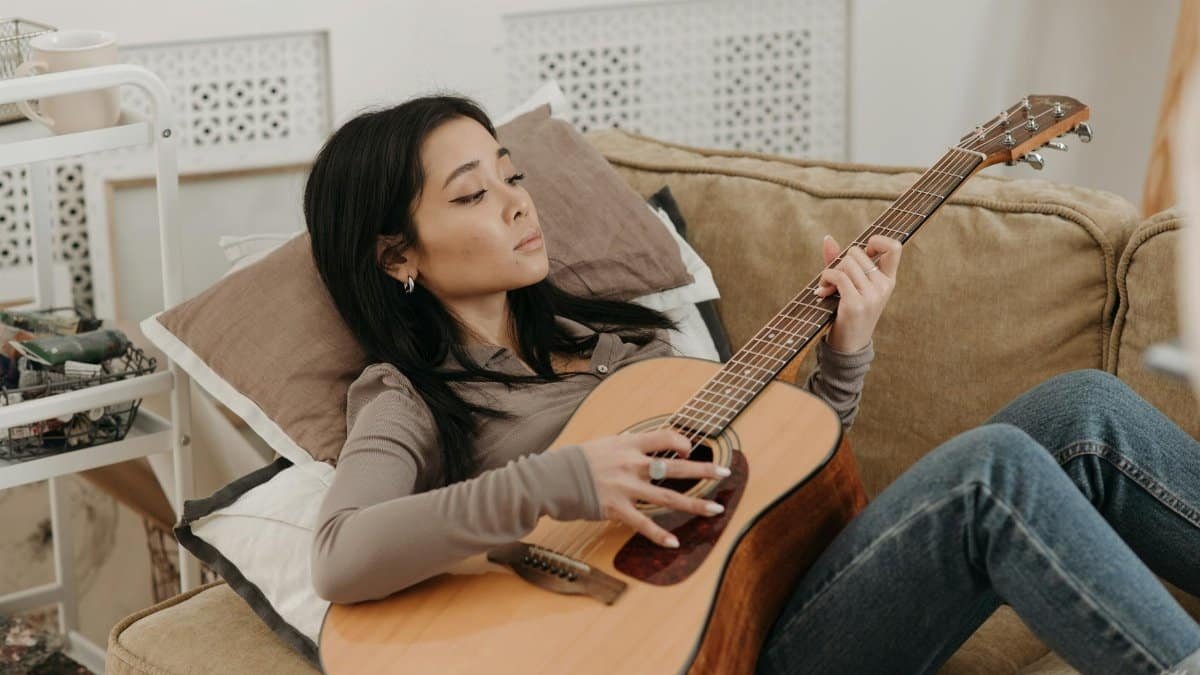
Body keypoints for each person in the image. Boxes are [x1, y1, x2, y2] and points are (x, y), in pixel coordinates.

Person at [304, 93, 1200, 675]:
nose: (515, 202)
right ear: (396, 256)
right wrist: (569, 476)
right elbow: (342, 553)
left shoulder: (614, 346)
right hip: (709, 654)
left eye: (513, 174)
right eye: (471, 195)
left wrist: (846, 352)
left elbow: (779, 483)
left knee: (1083, 407)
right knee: (991, 470)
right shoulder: (407, 393)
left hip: (779, 593)